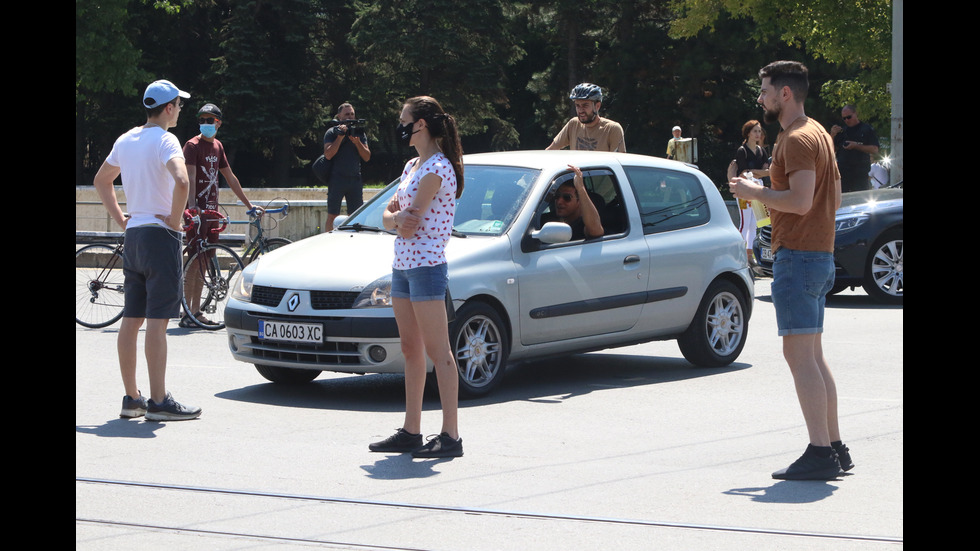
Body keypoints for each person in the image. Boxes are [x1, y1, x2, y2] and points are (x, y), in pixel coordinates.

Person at [728, 61, 852, 480]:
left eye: (763, 90)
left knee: (799, 357)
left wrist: (752, 190)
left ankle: (820, 454)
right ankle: (835, 447)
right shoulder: (815, 131)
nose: (759, 98)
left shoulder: (796, 138)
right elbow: (815, 193)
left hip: (798, 255)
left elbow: (799, 201)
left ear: (784, 93)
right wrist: (764, 183)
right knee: (813, 356)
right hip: (815, 254)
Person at [91, 79, 202, 421]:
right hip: (159, 238)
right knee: (157, 322)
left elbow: (101, 180)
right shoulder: (166, 140)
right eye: (179, 105)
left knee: (132, 318)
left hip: (135, 237)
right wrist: (173, 219)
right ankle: (158, 401)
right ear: (168, 108)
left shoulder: (126, 139)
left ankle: (131, 398)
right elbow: (182, 181)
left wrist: (122, 218)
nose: (180, 110)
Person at [372, 96, 465, 458]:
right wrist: (395, 218)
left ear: (421, 125)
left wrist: (395, 219)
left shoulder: (436, 169)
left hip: (426, 266)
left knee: (439, 351)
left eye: (404, 119)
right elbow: (387, 217)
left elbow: (407, 225)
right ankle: (411, 430)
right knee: (410, 349)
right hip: (403, 266)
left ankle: (451, 435)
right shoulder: (413, 165)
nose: (400, 125)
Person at [181, 103, 261, 328]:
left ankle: (196, 311)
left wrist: (249, 204)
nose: (206, 123)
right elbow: (191, 178)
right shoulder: (192, 145)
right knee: (194, 262)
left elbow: (230, 177)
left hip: (212, 212)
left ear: (219, 123)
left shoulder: (218, 146)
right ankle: (188, 311)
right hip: (197, 213)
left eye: (210, 120)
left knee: (205, 261)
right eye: (202, 120)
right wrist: (192, 208)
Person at [323, 103, 371, 231]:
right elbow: (328, 155)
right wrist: (340, 137)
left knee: (356, 215)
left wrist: (357, 142)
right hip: (337, 179)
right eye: (346, 114)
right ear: (339, 117)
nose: (350, 117)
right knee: (333, 215)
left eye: (352, 114)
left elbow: (366, 157)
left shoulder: (359, 133)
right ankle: (328, 242)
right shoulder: (332, 132)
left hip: (354, 179)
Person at [733, 120, 771, 264]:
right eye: (755, 131)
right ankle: (739, 253)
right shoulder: (742, 151)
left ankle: (750, 255)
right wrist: (758, 172)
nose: (758, 134)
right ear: (748, 133)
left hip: (758, 188)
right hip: (744, 188)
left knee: (755, 223)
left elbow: (768, 171)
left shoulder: (761, 151)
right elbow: (743, 172)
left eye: (759, 131)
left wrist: (755, 172)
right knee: (745, 222)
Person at [546, 83, 626, 152]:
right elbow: (551, 150)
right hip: (575, 170)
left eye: (585, 105)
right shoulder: (573, 124)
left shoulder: (612, 129)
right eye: (577, 105)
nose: (581, 110)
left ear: (597, 106)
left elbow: (619, 162)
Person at [540, 165, 604, 240]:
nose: (559, 201)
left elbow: (595, 231)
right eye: (557, 196)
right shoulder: (545, 221)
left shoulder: (582, 225)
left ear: (579, 201)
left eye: (567, 198)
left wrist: (580, 188)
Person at [830, 105, 879, 192]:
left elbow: (875, 149)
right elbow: (830, 150)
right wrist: (832, 135)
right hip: (843, 173)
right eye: (844, 118)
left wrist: (856, 146)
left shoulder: (866, 129)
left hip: (860, 173)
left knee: (860, 200)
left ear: (855, 113)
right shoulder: (842, 131)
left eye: (849, 117)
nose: (847, 120)